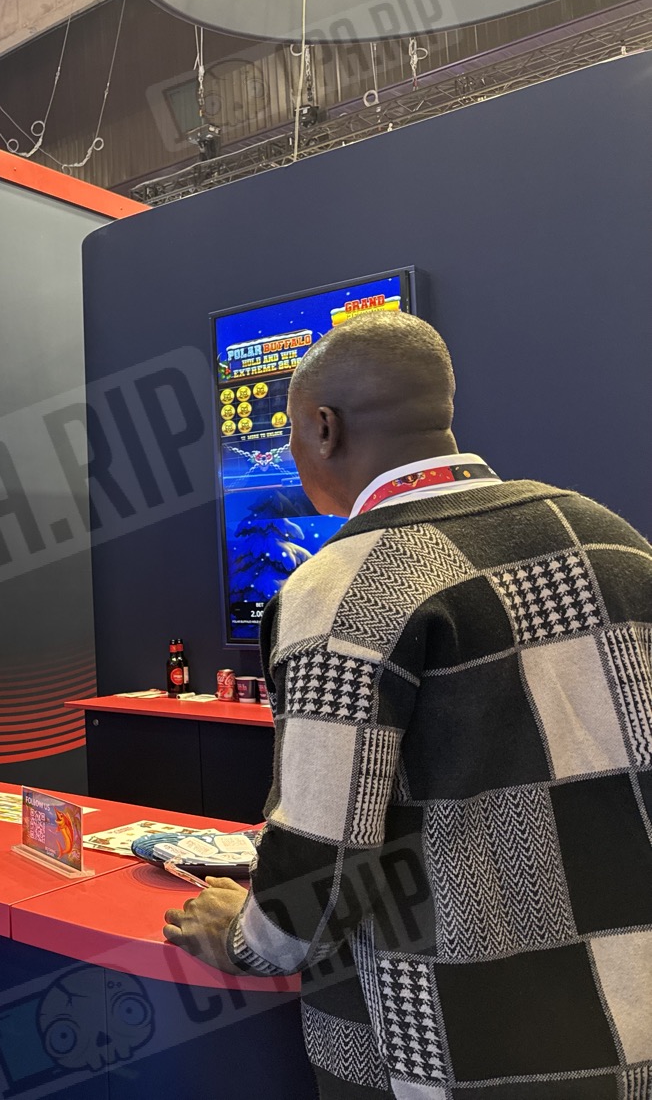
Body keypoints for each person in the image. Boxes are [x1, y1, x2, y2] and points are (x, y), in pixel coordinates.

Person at [163, 311, 652, 1098]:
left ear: (324, 427)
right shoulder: (613, 540)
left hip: (448, 1045)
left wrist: (242, 939)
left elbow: (318, 864)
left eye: (291, 433)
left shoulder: (340, 587)